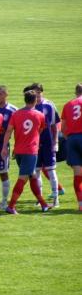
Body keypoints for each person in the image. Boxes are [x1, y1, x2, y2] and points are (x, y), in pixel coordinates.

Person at [1, 90, 52, 214]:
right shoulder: (40, 115)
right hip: (30, 151)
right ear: (35, 101)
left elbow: (8, 131)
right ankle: (11, 206)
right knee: (23, 178)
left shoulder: (16, 114)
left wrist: (4, 147)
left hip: (18, 151)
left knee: (32, 176)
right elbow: (40, 130)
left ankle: (44, 204)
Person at [28, 83, 63, 206]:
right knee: (36, 172)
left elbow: (54, 126)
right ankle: (40, 199)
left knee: (51, 170)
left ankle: (56, 198)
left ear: (42, 92)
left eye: (39, 92)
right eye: (35, 92)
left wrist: (56, 142)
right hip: (35, 144)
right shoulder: (30, 107)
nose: (37, 95)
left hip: (48, 143)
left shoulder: (49, 105)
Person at [0, 86, 17, 209]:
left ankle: (4, 201)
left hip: (3, 146)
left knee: (3, 173)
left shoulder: (13, 110)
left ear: (6, 94)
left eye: (1, 94)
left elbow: (18, 130)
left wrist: (16, 147)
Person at [60, 83, 82, 211]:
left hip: (72, 139)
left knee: (78, 174)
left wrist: (71, 138)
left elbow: (62, 129)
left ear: (76, 92)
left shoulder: (68, 105)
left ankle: (80, 204)